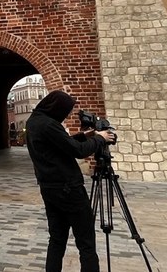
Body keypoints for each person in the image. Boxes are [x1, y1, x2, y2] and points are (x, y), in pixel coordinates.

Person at [26, 90, 116, 272]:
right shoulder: (49, 124)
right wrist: (100, 138)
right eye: (65, 111)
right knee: (86, 241)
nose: (65, 115)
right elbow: (77, 151)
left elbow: (61, 143)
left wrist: (86, 135)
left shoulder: (35, 121)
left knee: (57, 239)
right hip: (68, 189)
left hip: (49, 188)